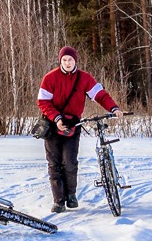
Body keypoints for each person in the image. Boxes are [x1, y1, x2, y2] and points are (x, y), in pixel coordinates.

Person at [37, 45, 122, 213]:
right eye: (64, 60)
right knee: (54, 164)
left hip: (73, 125)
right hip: (52, 125)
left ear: (75, 61)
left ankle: (71, 195)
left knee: (69, 162)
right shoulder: (50, 78)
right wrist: (57, 118)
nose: (68, 63)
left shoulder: (84, 78)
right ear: (60, 61)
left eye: (70, 60)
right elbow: (43, 102)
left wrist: (113, 108)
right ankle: (59, 201)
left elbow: (100, 94)